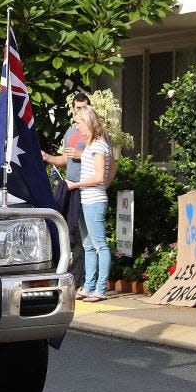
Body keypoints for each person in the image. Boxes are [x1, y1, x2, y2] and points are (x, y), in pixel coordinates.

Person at [43, 93, 91, 288]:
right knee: (68, 234)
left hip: (86, 188)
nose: (79, 111)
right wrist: (48, 157)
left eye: (83, 108)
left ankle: (82, 281)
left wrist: (82, 154)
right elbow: (66, 160)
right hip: (70, 188)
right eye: (76, 108)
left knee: (83, 239)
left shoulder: (95, 132)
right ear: (72, 110)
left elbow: (104, 159)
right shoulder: (71, 132)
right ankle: (74, 277)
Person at [65, 105, 112, 302]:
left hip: (94, 200)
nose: (77, 127)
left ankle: (100, 288)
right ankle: (89, 285)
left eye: (79, 122)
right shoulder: (92, 144)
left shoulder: (99, 145)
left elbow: (100, 176)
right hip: (86, 199)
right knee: (88, 245)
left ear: (87, 122)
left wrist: (76, 184)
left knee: (99, 245)